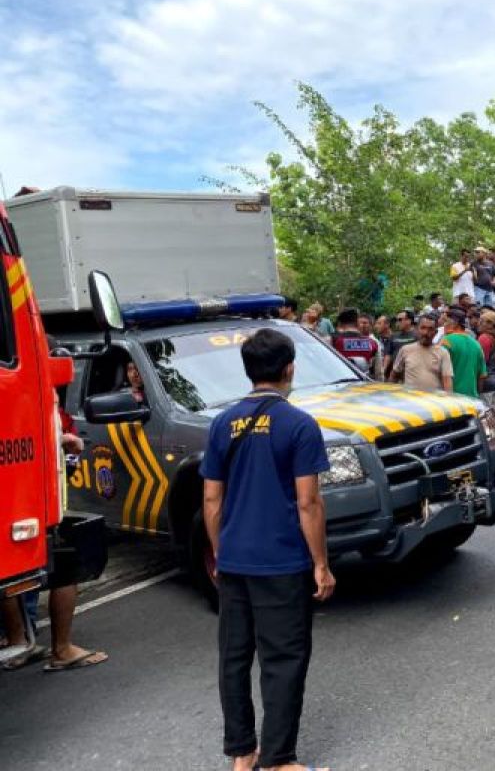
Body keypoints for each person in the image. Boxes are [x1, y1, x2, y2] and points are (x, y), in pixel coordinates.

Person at [200, 327, 335, 771]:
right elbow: (308, 502)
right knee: (283, 659)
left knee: (234, 659)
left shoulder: (222, 423)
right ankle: (278, 760)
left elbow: (211, 500)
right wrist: (321, 563)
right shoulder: (298, 424)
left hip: (235, 560)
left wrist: (221, 552)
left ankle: (243, 753)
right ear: (289, 368)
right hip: (282, 563)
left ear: (248, 370)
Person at [1, 389, 109, 672]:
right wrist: (66, 440)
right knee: (67, 568)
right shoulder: (40, 391)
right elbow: (45, 433)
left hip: (12, 501)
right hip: (42, 499)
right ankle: (62, 648)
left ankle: (18, 641)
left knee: (11, 570)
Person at [389, 314, 453, 392]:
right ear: (417, 329)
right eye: (423, 328)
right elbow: (394, 376)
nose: (426, 332)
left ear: (435, 332)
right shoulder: (405, 350)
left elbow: (447, 383)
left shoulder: (443, 353)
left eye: (430, 329)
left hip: (432, 402)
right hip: (410, 401)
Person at [441, 307, 486, 398]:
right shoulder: (476, 344)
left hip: (452, 398)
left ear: (455, 323)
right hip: (472, 398)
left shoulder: (446, 342)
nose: (444, 325)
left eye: (445, 321)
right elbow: (482, 376)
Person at [330, 308, 378, 376]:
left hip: (339, 381)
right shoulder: (373, 343)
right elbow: (378, 372)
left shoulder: (333, 341)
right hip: (363, 383)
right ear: (357, 322)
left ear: (340, 323)